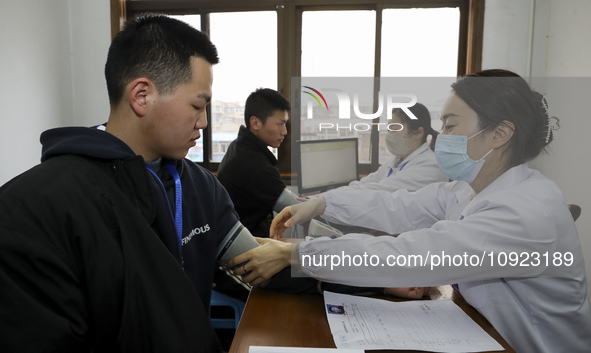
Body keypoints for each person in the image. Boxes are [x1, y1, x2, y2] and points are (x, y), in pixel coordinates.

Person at [231, 69, 591, 352]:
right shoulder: (470, 190)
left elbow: (411, 254)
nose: (441, 137)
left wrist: (297, 253)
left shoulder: (525, 210)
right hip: (488, 332)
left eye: (450, 126)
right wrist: (323, 203)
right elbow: (396, 204)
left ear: (499, 134)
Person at [0, 14, 281, 352]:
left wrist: (311, 258)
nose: (204, 122)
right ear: (142, 95)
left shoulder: (199, 186)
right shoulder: (33, 209)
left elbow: (254, 262)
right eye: (197, 105)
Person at [217, 88, 299, 237]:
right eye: (280, 124)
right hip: (245, 244)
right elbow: (299, 208)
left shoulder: (239, 145)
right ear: (255, 123)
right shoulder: (257, 167)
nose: (285, 131)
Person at [337, 102, 447, 193]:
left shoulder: (430, 165)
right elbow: (366, 183)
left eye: (394, 129)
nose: (389, 135)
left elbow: (377, 190)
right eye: (389, 130)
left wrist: (326, 199)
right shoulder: (395, 161)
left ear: (418, 132)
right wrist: (328, 196)